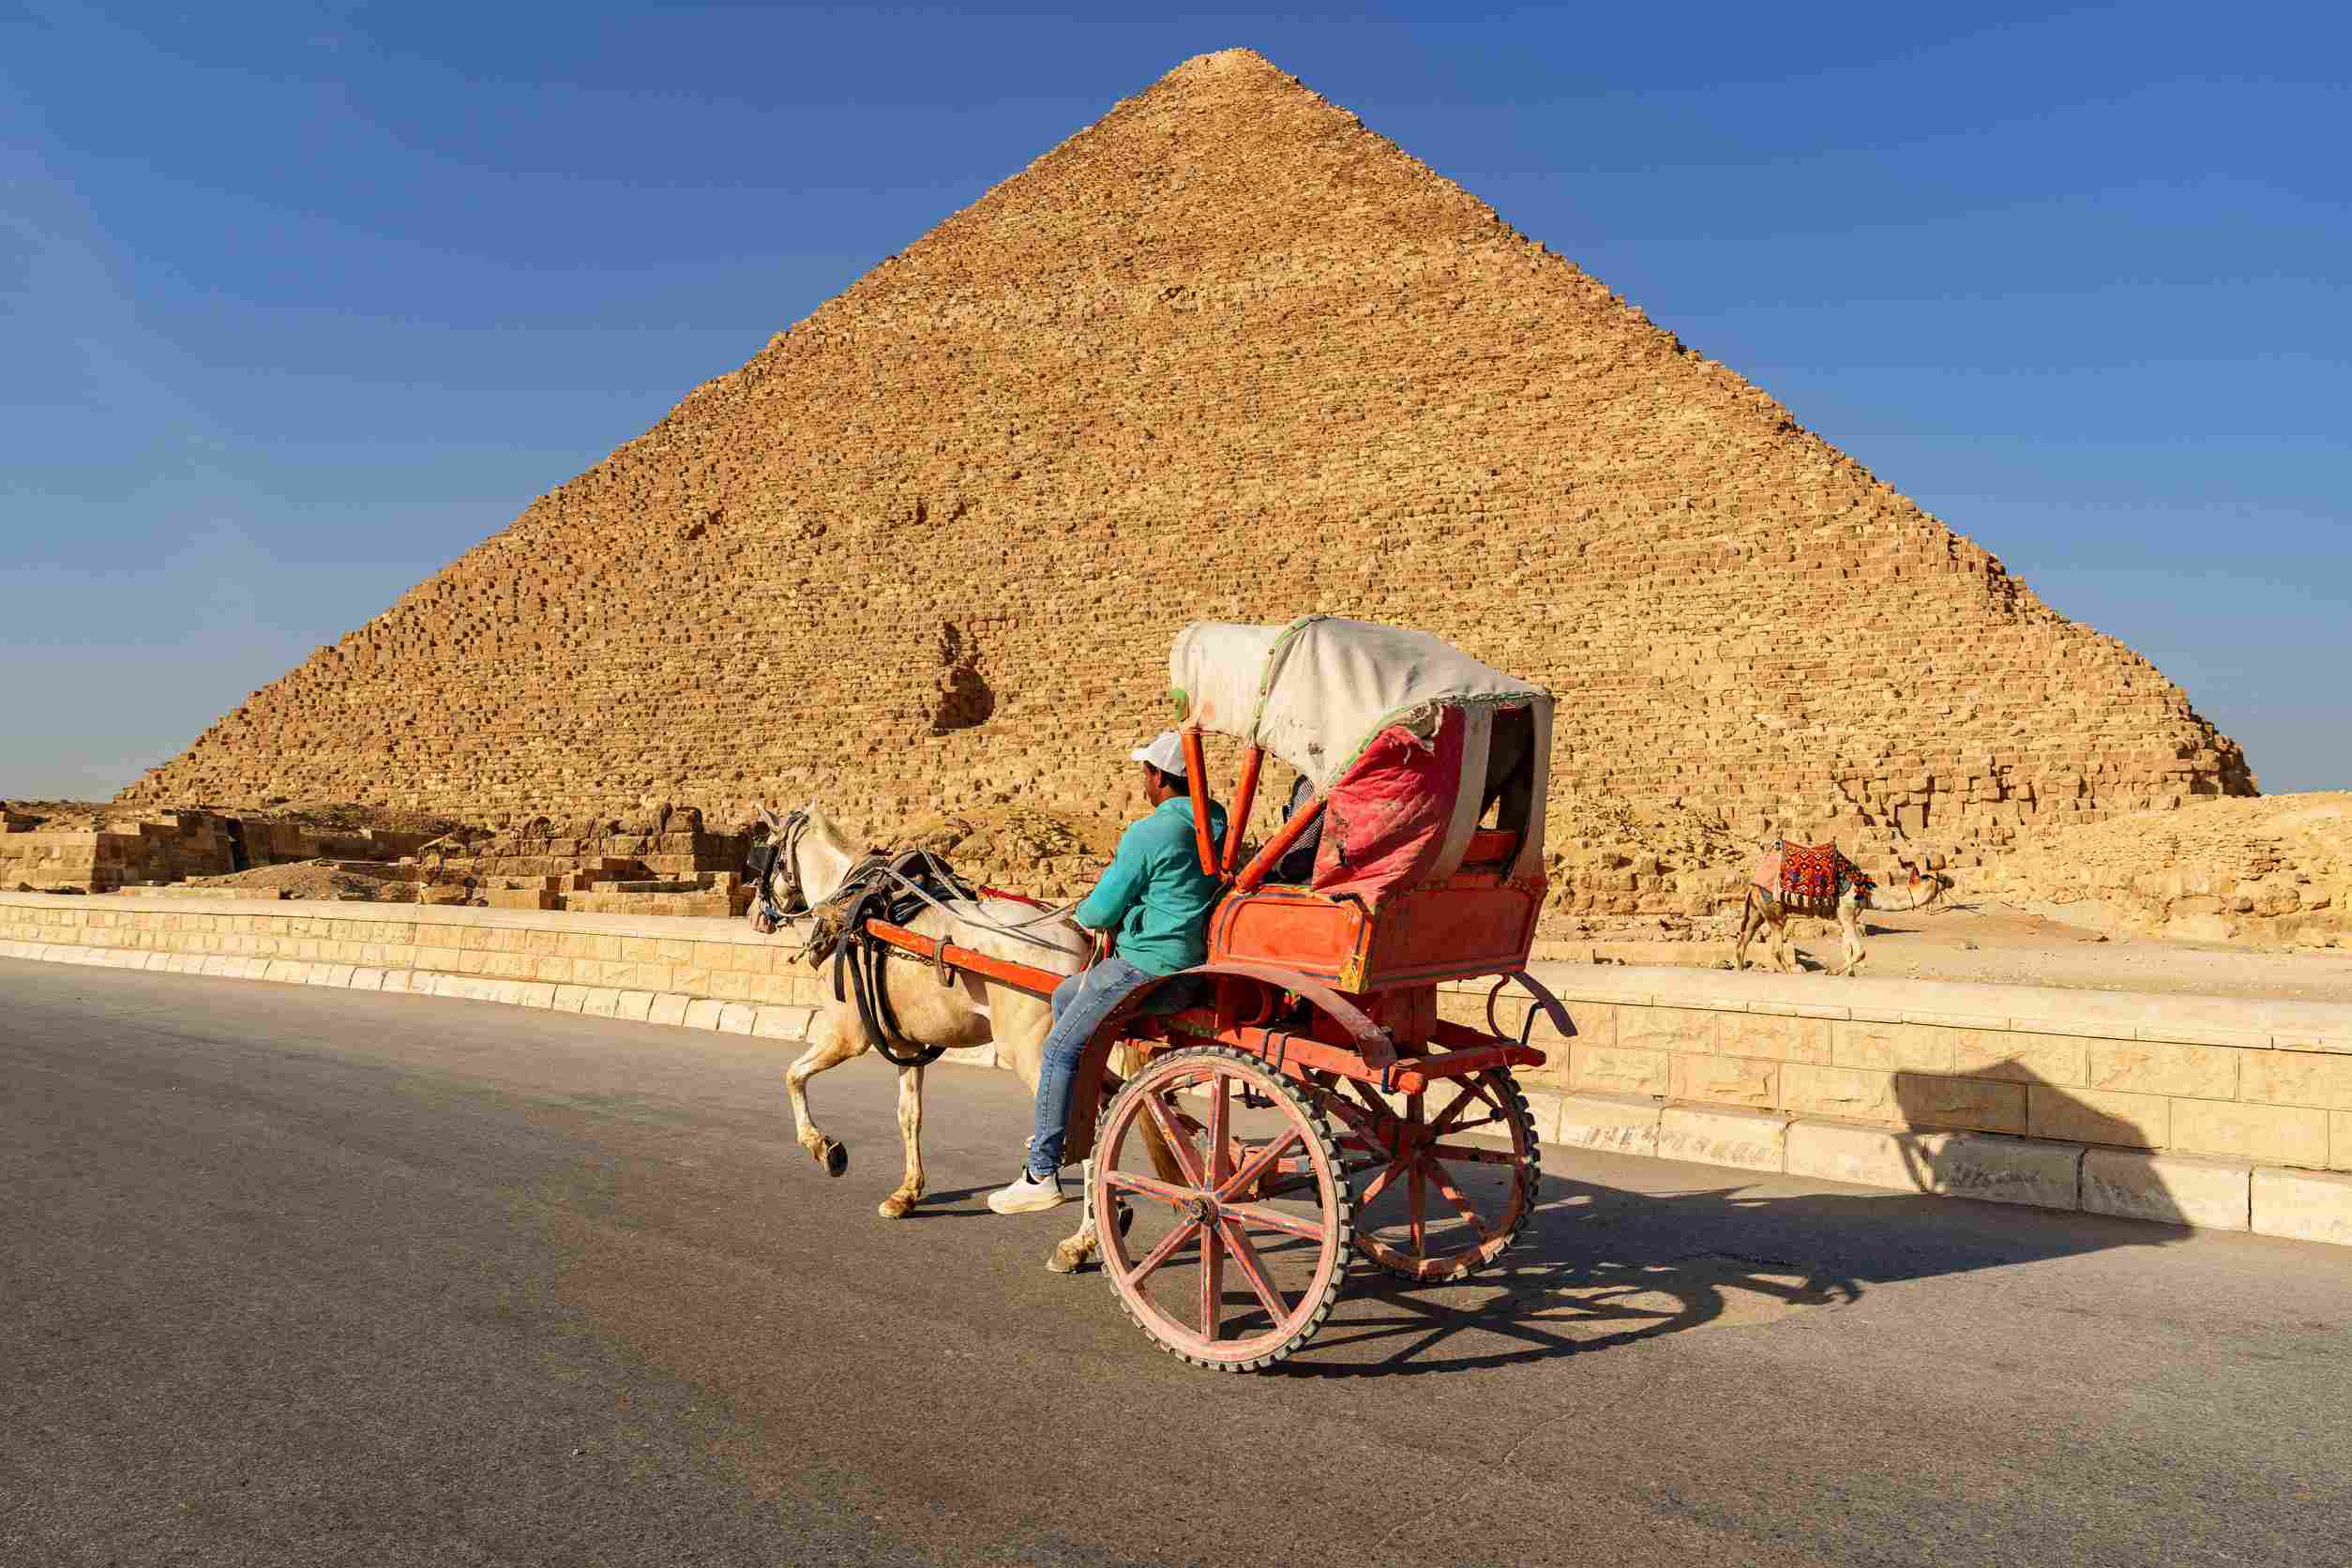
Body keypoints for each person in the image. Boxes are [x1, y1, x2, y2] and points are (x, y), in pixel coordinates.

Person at [987, 731, 1227, 1214]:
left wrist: (1084, 912)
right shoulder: (1215, 820)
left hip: (1146, 967)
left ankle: (1041, 1173)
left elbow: (1100, 912)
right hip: (1194, 965)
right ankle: (1070, 1111)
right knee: (1065, 995)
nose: (1143, 782)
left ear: (1158, 777)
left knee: (1057, 1048)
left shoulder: (1149, 832)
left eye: (1145, 773)